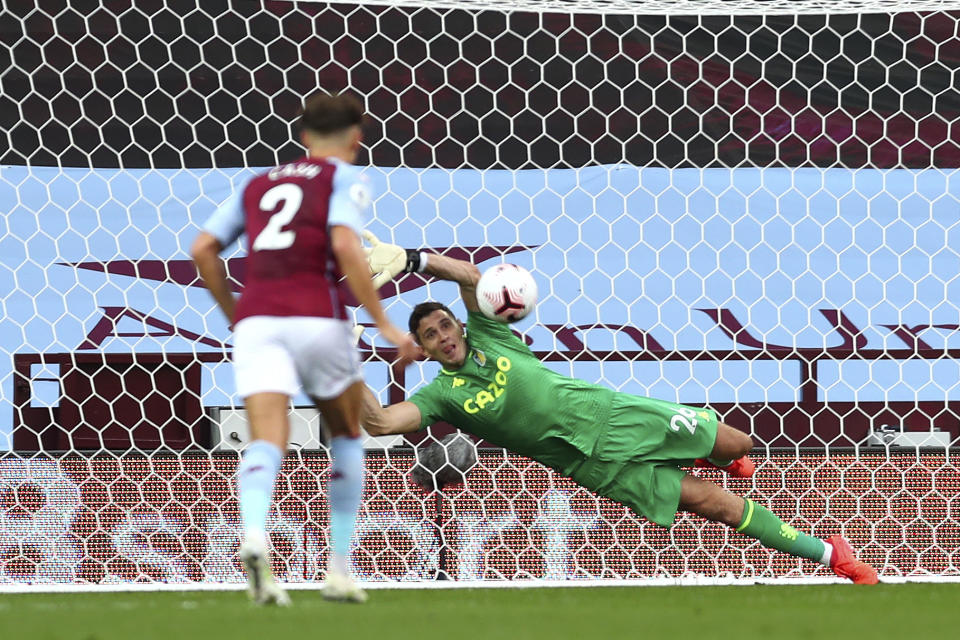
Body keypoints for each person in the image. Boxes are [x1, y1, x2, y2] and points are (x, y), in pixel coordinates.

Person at [358, 236, 879, 584]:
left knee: (739, 446)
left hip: (613, 415)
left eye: (446, 326)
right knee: (717, 507)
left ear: (460, 326)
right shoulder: (440, 396)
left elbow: (470, 275)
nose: (443, 337)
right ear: (423, 349)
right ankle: (830, 556)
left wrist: (412, 260)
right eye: (430, 336)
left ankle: (707, 454)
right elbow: (379, 422)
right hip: (593, 465)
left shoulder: (492, 332)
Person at [190, 92, 418, 605]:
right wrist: (383, 322)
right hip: (318, 317)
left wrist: (236, 314)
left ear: (302, 138)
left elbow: (203, 248)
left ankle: (253, 533)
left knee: (268, 437)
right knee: (347, 432)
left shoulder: (256, 183)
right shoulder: (343, 179)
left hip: (258, 322)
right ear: (357, 139)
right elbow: (343, 244)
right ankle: (338, 569)